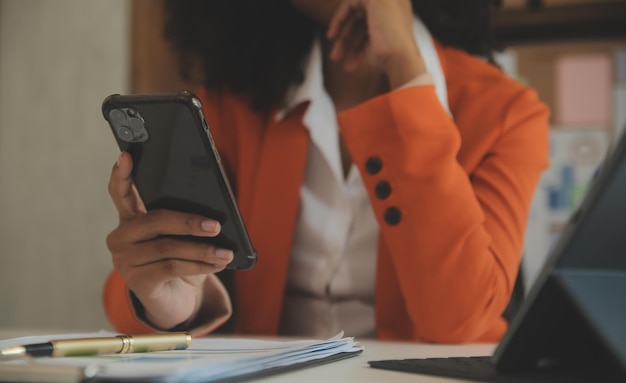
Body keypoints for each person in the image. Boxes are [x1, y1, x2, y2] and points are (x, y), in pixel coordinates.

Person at [103, 0, 549, 343]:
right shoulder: (230, 104)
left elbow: (459, 322)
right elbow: (148, 290)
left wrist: (406, 69)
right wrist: (170, 304)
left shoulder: (507, 113)